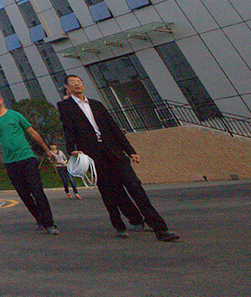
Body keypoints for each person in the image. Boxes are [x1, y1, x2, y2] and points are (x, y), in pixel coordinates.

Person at [58, 74, 180, 241]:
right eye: (73, 83)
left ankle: (160, 228)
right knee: (110, 191)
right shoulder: (65, 106)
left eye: (79, 82)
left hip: (114, 151)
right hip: (94, 154)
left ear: (83, 85)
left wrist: (130, 151)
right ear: (67, 87)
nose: (77, 84)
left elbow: (114, 128)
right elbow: (68, 128)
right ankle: (123, 223)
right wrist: (71, 149)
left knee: (135, 187)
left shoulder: (97, 104)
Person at [0, 90, 59, 234]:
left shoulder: (15, 115)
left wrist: (47, 150)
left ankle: (49, 223)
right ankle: (39, 218)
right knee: (24, 194)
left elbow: (32, 132)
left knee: (37, 191)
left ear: (1, 99)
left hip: (27, 159)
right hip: (10, 162)